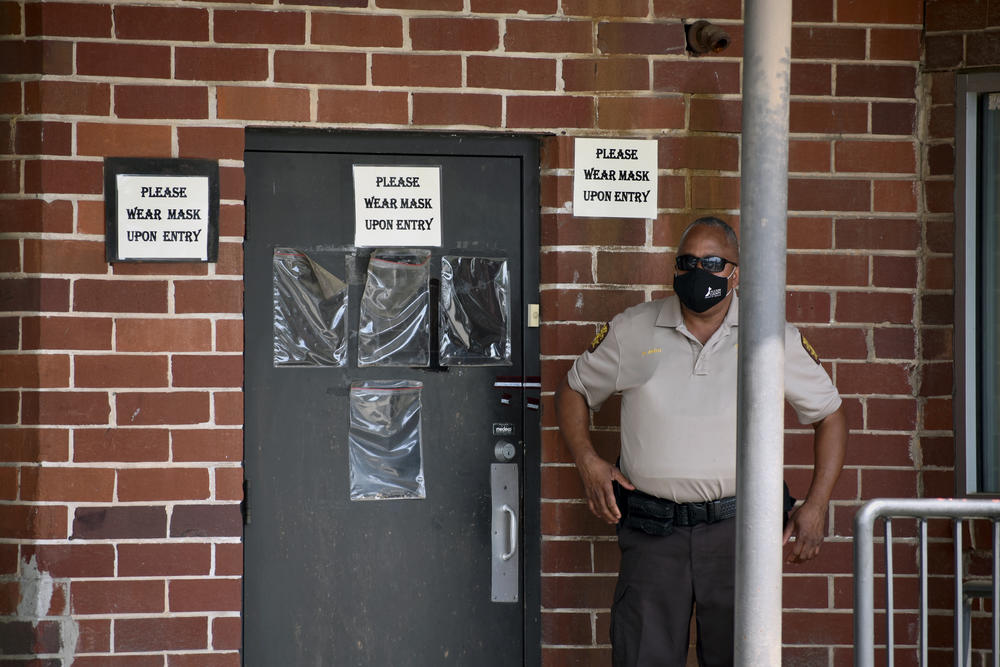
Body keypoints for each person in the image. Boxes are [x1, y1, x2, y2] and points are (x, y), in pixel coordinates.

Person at [555, 216, 847, 667]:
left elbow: (829, 415)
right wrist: (587, 460)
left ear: (736, 273)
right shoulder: (634, 329)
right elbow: (572, 390)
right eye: (687, 262)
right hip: (653, 534)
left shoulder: (769, 337)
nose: (698, 272)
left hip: (740, 535)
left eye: (712, 262)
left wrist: (817, 503)